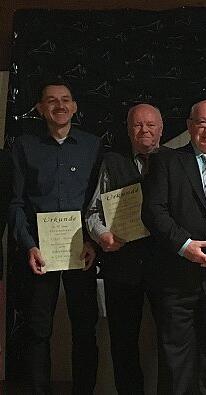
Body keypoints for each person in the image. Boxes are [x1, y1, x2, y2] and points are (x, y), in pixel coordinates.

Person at [142, 100, 206, 394]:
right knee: (177, 362)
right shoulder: (167, 162)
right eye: (202, 122)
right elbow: (153, 212)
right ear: (189, 126)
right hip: (177, 278)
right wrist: (183, 245)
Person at [8, 80, 101, 394]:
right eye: (51, 100)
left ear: (74, 106)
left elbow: (99, 200)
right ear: (39, 108)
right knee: (37, 331)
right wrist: (28, 244)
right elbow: (16, 202)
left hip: (82, 251)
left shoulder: (93, 145)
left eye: (65, 100)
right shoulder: (23, 146)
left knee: (85, 330)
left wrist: (93, 241)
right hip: (40, 252)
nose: (59, 105)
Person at [85, 103, 164, 394]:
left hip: (164, 267)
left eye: (150, 125)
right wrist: (102, 235)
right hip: (122, 266)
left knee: (171, 339)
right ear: (128, 130)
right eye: (137, 125)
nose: (144, 130)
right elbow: (93, 211)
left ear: (161, 129)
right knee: (123, 341)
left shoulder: (174, 160)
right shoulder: (112, 161)